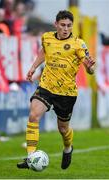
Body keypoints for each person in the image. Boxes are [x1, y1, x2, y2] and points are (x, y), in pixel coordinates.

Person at [17, 10, 95, 170]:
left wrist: (90, 68)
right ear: (56, 24)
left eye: (69, 26)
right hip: (46, 86)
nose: (66, 29)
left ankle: (68, 148)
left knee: (63, 129)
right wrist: (33, 67)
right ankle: (31, 156)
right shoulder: (47, 37)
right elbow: (44, 52)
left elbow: (89, 68)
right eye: (63, 25)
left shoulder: (79, 44)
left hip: (66, 93)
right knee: (33, 115)